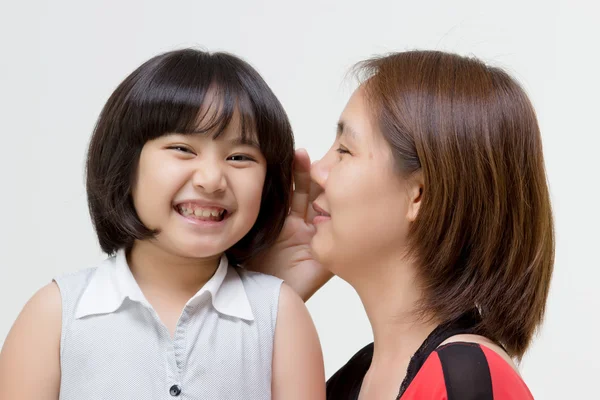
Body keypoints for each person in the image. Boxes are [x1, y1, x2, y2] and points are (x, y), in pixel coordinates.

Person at [0, 49, 325, 400]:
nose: (212, 179)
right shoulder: (56, 314)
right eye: (183, 148)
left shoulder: (280, 315)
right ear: (126, 162)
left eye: (239, 157)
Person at [249, 50, 554, 399]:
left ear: (419, 195)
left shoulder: (464, 379)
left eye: (345, 150)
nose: (317, 170)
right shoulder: (354, 379)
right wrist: (264, 303)